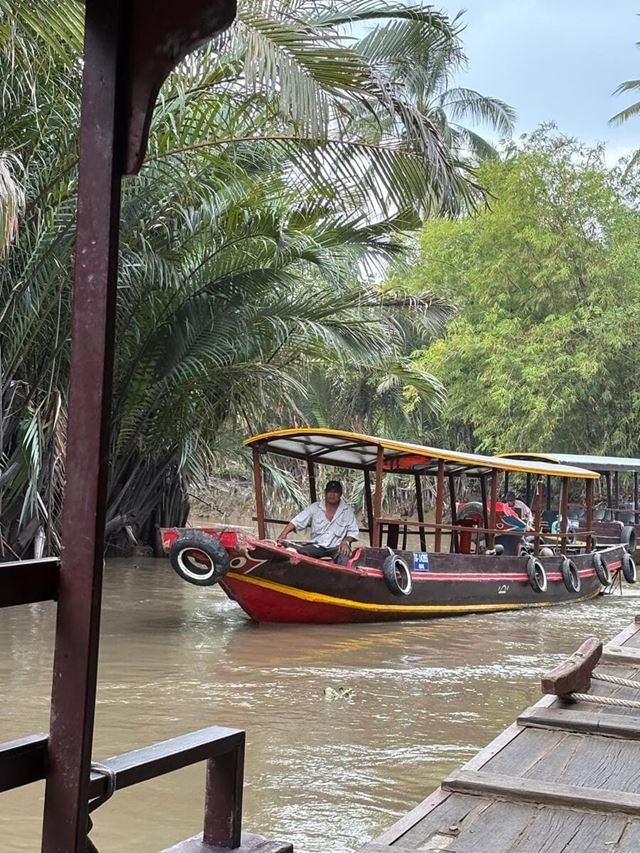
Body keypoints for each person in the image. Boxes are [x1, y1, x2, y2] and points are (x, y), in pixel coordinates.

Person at [277, 480, 359, 565]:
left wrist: (346, 542)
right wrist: (284, 533)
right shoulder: (315, 508)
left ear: (340, 494)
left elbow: (353, 532)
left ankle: (343, 578)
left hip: (337, 547)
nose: (332, 494)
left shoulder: (348, 511)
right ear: (325, 493)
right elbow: (297, 521)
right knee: (294, 554)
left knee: (345, 560)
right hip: (316, 546)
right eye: (329, 491)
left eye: (335, 492)